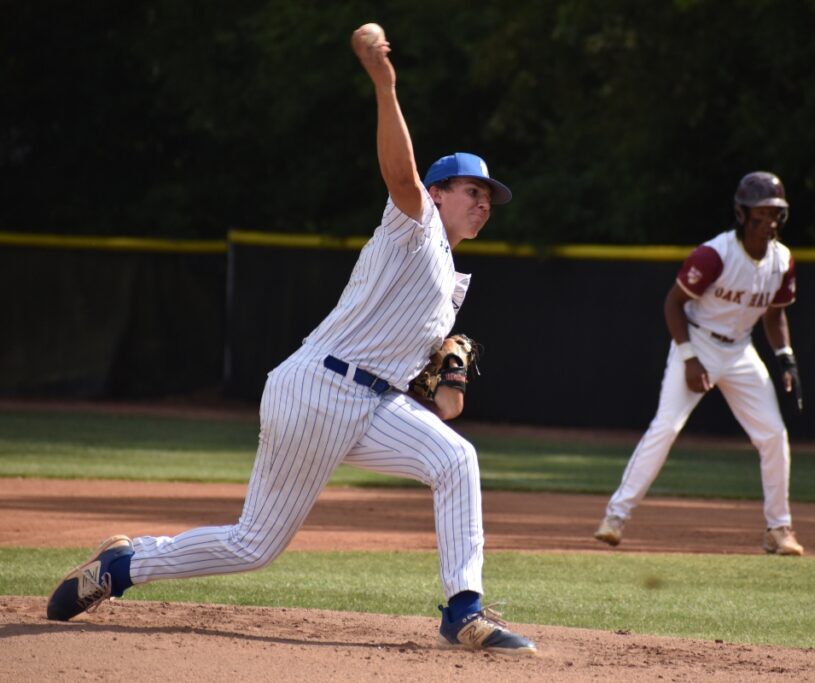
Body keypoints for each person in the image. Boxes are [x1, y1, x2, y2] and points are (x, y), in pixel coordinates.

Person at [46, 24, 538, 655]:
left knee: (455, 459)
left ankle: (464, 613)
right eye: (473, 191)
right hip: (318, 388)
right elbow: (398, 172)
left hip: (368, 403)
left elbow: (447, 412)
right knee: (255, 545)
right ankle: (121, 569)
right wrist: (385, 85)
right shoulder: (415, 227)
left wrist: (450, 376)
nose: (483, 204)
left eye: (489, 199)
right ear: (439, 194)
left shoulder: (449, 285)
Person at [594, 171, 805, 556]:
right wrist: (690, 358)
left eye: (775, 213)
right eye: (761, 213)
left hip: (741, 351)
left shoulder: (782, 260)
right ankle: (615, 517)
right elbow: (672, 304)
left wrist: (785, 358)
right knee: (666, 427)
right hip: (697, 340)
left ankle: (778, 529)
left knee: (773, 435)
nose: (769, 222)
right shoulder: (714, 255)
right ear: (742, 215)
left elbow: (775, 315)